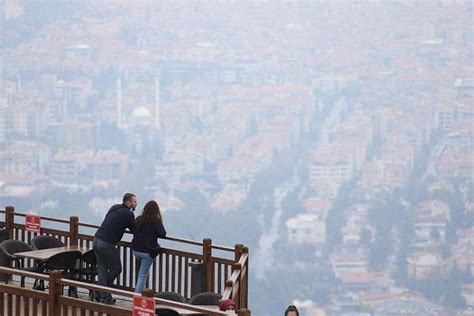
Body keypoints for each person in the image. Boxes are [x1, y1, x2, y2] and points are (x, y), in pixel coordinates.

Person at [93, 193, 137, 304]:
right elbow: (134, 229)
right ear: (128, 202)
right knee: (116, 269)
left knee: (102, 270)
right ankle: (100, 291)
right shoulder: (128, 214)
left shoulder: (114, 207)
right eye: (134, 202)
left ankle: (103, 296)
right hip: (107, 243)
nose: (135, 204)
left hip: (96, 239)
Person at [132, 200, 166, 294]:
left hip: (136, 250)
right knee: (142, 276)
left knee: (140, 275)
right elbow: (162, 234)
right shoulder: (155, 221)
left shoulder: (139, 219)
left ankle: (141, 293)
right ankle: (137, 298)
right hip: (147, 252)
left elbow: (133, 229)